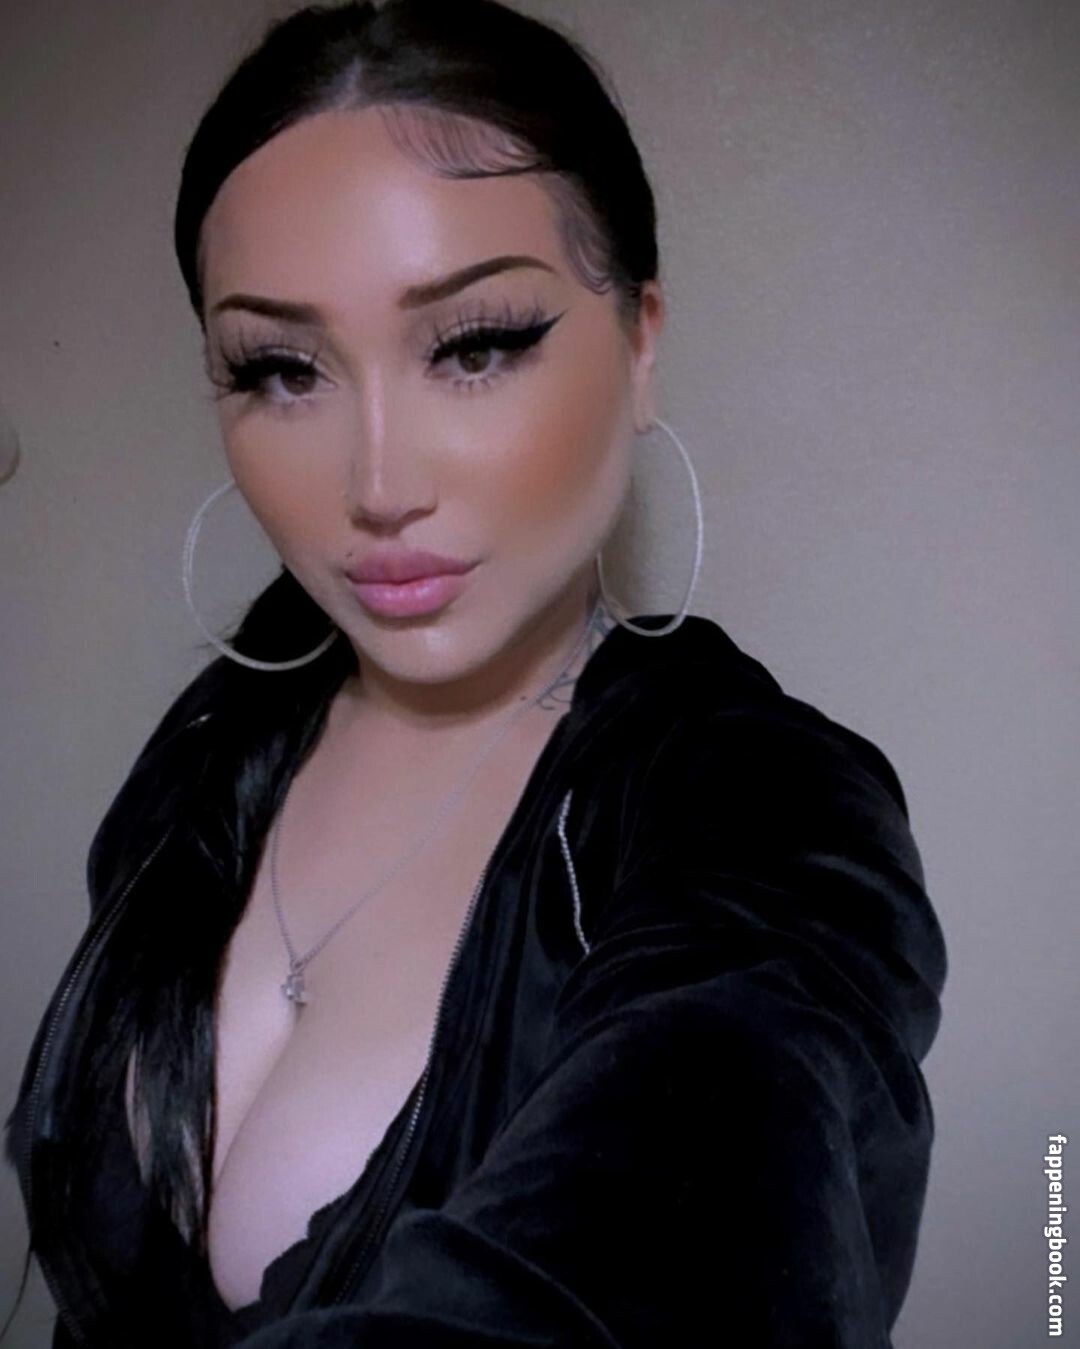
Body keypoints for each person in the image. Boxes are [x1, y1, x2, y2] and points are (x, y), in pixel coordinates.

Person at [2, 2, 947, 1345]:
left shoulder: (760, 810)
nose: (378, 484)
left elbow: (704, 1212)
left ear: (639, 342)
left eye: (478, 345)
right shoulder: (219, 738)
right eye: (280, 369)